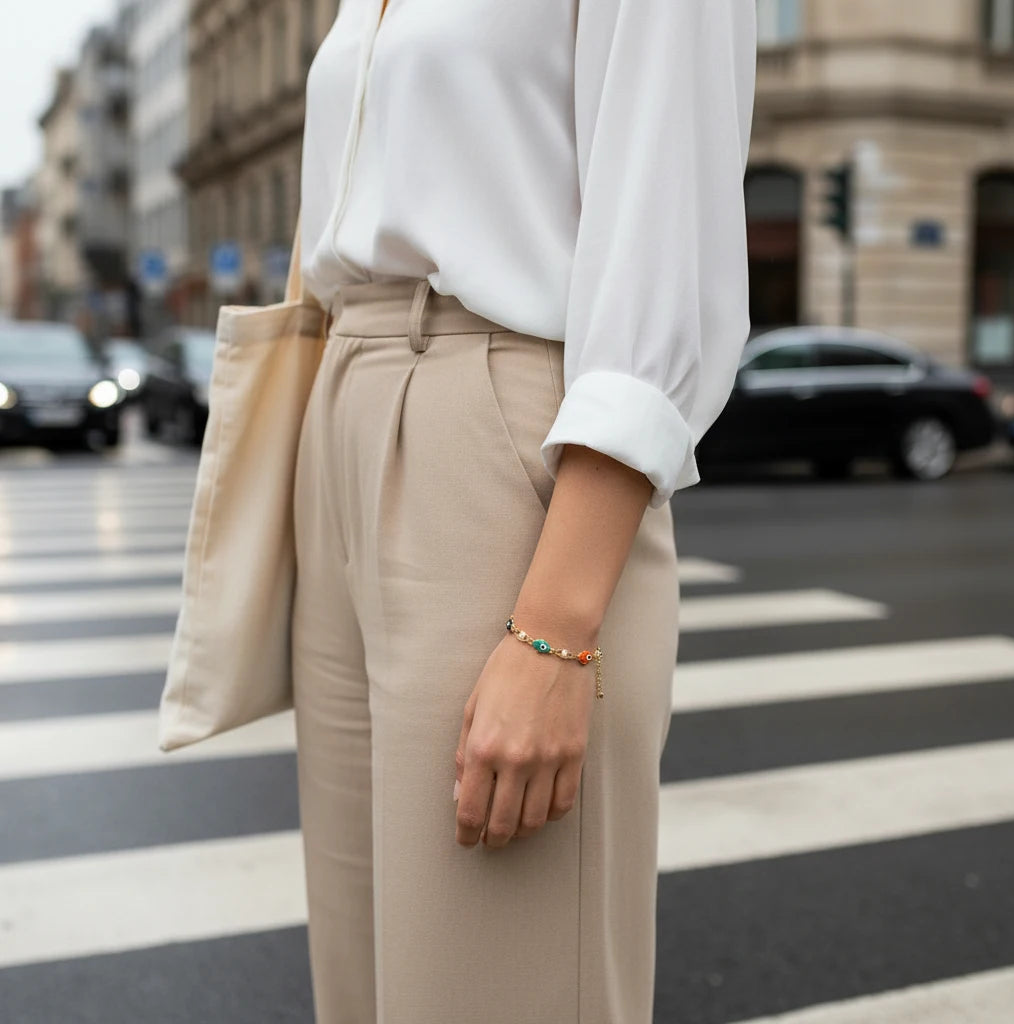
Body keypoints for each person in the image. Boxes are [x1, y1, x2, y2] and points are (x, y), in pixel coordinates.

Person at [291, 1, 757, 1021]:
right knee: (365, 991)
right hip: (344, 406)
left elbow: (664, 233)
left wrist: (553, 634)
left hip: (497, 430)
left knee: (501, 981)